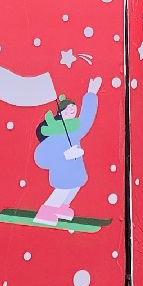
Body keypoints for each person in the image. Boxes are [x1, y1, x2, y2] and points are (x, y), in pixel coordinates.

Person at [32, 77, 103, 224]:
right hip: (62, 174)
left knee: (74, 188)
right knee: (62, 190)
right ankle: (46, 211)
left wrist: (91, 93)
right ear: (60, 114)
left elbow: (86, 119)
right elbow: (41, 157)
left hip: (76, 171)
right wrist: (65, 155)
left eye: (73, 107)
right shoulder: (54, 134)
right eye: (67, 108)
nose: (72, 110)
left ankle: (62, 207)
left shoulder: (74, 129)